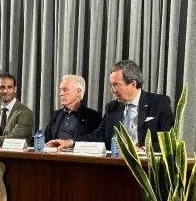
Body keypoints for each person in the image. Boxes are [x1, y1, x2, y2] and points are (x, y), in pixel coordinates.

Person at [46, 61, 174, 151]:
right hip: (115, 163)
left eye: (116, 85)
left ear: (133, 84)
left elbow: (169, 141)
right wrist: (71, 142)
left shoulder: (159, 103)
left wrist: (142, 149)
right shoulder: (112, 107)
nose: (112, 90)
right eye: (111, 85)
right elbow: (99, 135)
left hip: (147, 166)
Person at [43, 75, 102, 141]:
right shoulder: (56, 115)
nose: (60, 94)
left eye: (65, 90)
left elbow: (93, 141)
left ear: (78, 92)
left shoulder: (93, 117)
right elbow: (46, 140)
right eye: (60, 90)